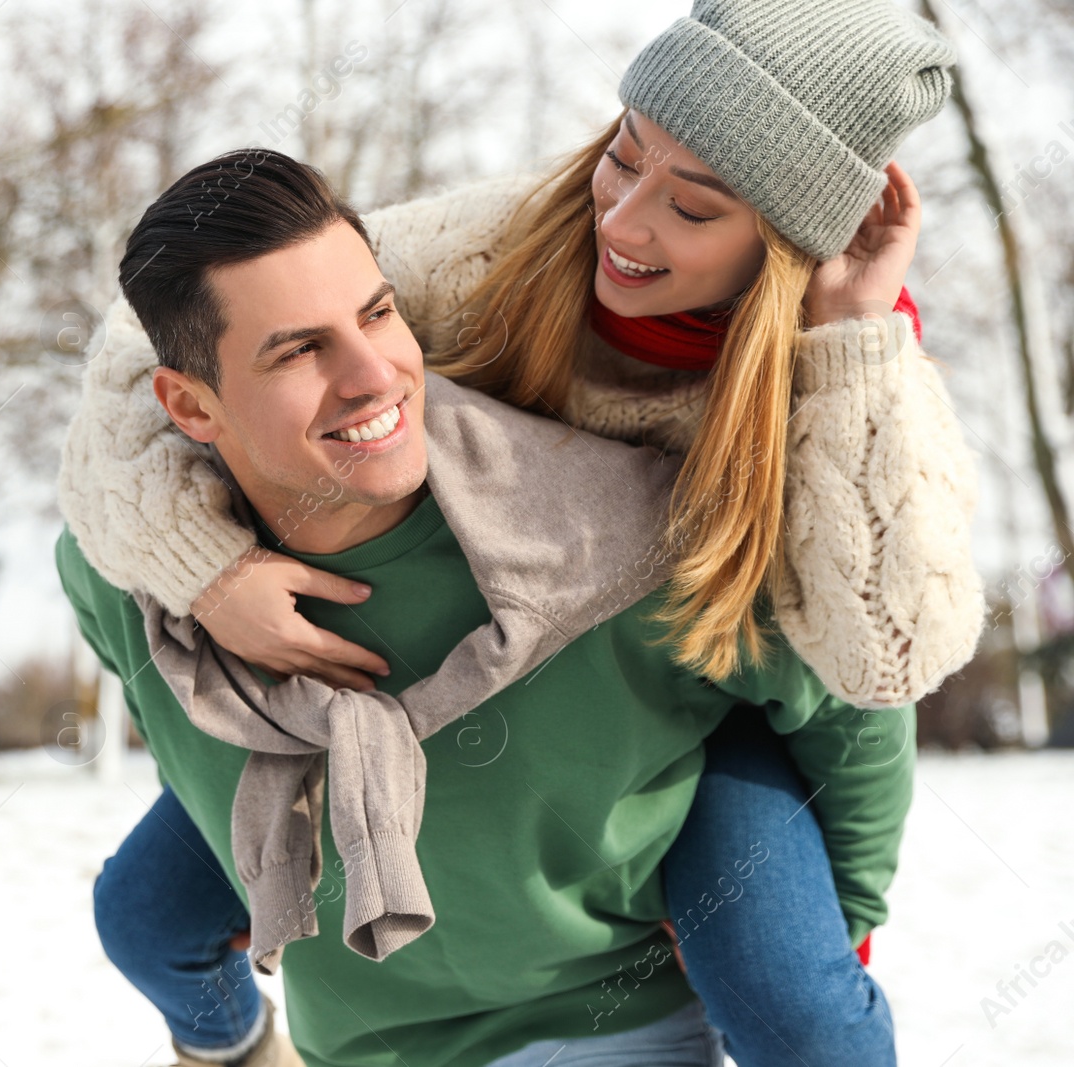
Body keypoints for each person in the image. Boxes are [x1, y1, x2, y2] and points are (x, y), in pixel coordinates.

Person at [59, 1, 983, 1063]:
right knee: (144, 912)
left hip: (694, 687)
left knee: (799, 1007)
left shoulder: (837, 381)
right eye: (621, 155)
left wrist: (853, 335)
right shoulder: (500, 248)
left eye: (691, 207)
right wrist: (206, 567)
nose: (626, 222)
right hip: (452, 660)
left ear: (786, 235)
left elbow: (882, 661)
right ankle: (229, 1042)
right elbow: (146, 354)